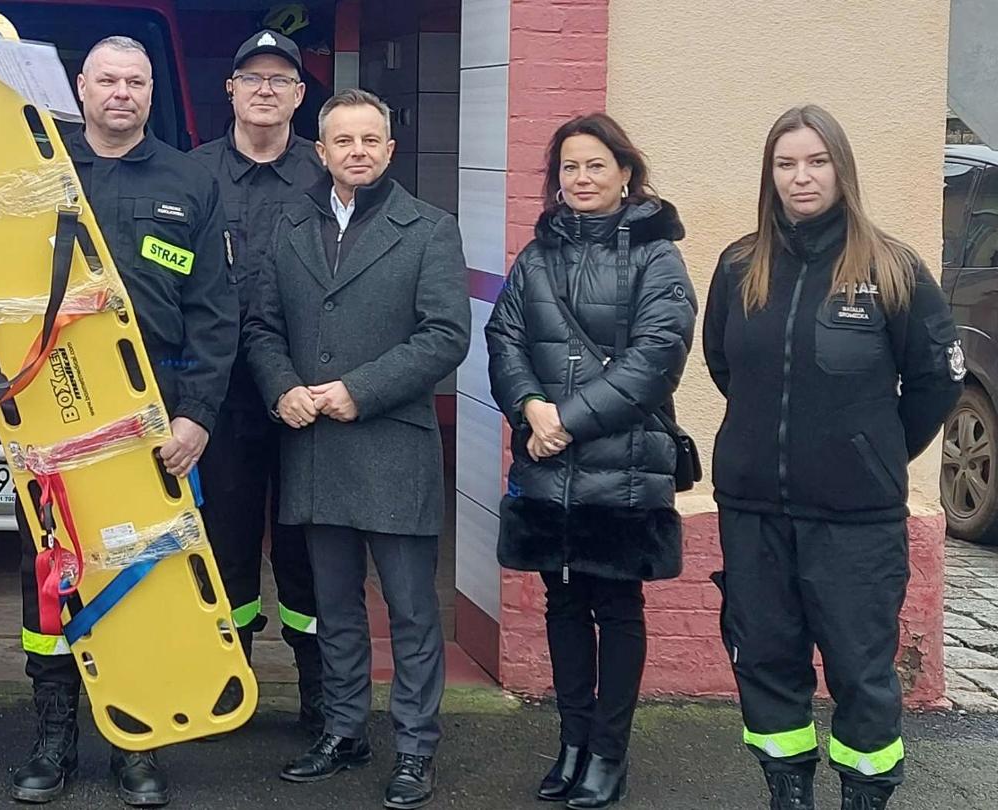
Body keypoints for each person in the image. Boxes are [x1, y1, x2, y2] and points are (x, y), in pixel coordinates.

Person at [703, 104, 961, 810]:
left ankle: (864, 794)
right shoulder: (739, 266)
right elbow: (726, 365)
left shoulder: (891, 267)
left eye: (816, 161)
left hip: (855, 519)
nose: (802, 177)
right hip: (754, 509)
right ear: (770, 175)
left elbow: (936, 380)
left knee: (861, 672)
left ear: (841, 169)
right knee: (765, 661)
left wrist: (871, 450)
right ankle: (787, 792)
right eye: (786, 163)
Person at [9, 36, 238, 808]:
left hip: (155, 412)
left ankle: (138, 739)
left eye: (135, 81)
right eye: (107, 80)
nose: (121, 93)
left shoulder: (190, 181)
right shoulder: (37, 173)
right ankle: (53, 738)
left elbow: (215, 311)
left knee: (147, 573)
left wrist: (197, 415)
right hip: (54, 406)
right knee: (53, 575)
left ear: (150, 92)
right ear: (80, 87)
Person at [243, 89, 468, 810]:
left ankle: (415, 746)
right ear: (322, 151)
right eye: (344, 141)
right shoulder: (290, 225)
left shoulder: (430, 229)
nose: (358, 152)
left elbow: (445, 336)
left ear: (390, 150)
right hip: (315, 449)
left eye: (371, 140)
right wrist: (281, 387)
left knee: (410, 611)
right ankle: (344, 731)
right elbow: (262, 327)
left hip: (391, 447)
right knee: (334, 608)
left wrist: (359, 390)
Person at [483, 113, 695, 808]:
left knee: (617, 607)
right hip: (547, 466)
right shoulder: (536, 256)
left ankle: (608, 753)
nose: (581, 178)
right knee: (563, 603)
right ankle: (572, 742)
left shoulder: (657, 257)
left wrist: (563, 422)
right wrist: (529, 408)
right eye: (569, 167)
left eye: (596, 165)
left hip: (625, 465)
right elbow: (505, 337)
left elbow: (656, 359)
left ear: (625, 173)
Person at [186, 28, 325, 731]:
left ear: (299, 95)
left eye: (279, 80)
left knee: (308, 545)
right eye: (252, 78)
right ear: (230, 89)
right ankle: (225, 681)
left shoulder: (328, 174)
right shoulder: (190, 174)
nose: (264, 90)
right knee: (224, 542)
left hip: (307, 393)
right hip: (218, 395)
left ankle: (320, 695)